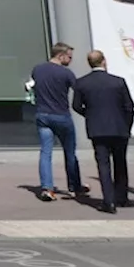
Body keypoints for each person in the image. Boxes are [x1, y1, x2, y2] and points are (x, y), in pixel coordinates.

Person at [70, 50, 134, 214]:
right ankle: (122, 197)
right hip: (119, 128)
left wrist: (89, 115)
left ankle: (108, 201)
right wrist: (127, 125)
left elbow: (76, 106)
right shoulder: (118, 82)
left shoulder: (82, 83)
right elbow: (129, 106)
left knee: (103, 164)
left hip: (97, 129)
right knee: (120, 163)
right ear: (104, 61)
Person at [30, 42, 87, 202]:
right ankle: (75, 186)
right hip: (61, 115)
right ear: (61, 55)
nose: (70, 60)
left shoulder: (37, 69)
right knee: (70, 152)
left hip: (43, 114)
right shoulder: (66, 73)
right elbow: (79, 90)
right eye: (69, 57)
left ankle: (47, 188)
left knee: (45, 152)